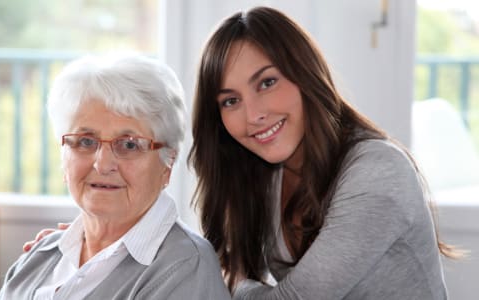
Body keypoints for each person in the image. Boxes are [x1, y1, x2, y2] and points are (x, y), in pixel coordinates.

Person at [188, 6, 457, 299]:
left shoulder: (377, 172)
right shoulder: (264, 173)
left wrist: (234, 280)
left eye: (267, 83)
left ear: (305, 73)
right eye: (230, 101)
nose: (253, 115)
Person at [0, 54, 230, 299]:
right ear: (63, 156)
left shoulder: (185, 269)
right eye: (86, 141)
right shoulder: (41, 255)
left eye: (129, 145)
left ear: (168, 163)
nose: (103, 164)